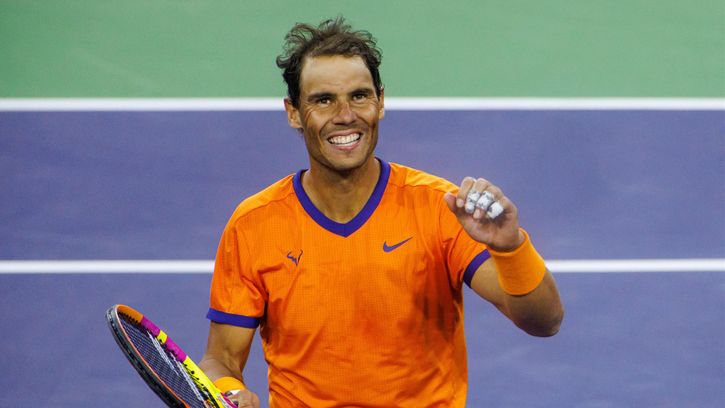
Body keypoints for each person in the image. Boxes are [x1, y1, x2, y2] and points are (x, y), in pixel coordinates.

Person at [199, 17, 563, 407]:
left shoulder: (440, 208)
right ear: (293, 112)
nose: (345, 114)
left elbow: (544, 321)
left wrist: (511, 248)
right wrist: (229, 391)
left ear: (381, 102)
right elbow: (221, 359)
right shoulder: (254, 224)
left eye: (359, 96)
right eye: (323, 100)